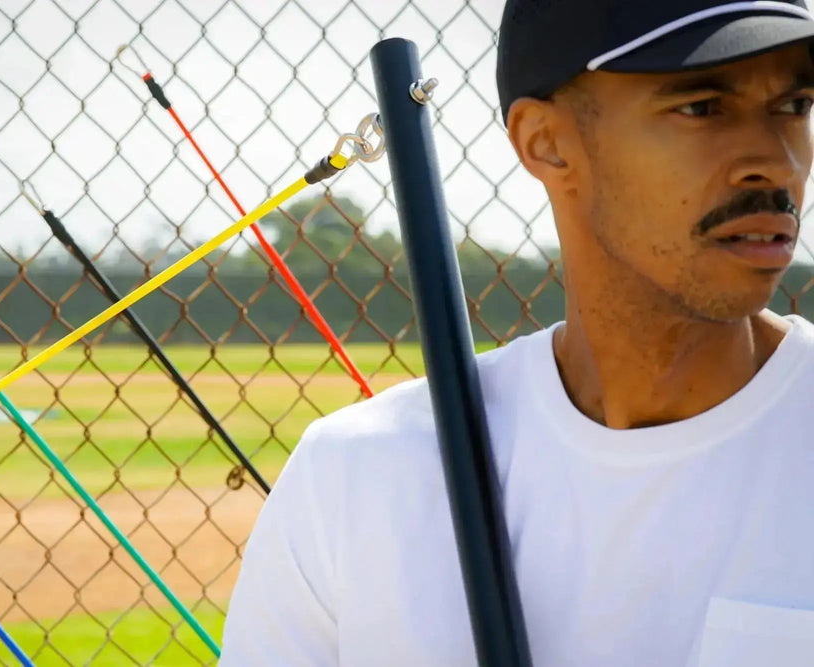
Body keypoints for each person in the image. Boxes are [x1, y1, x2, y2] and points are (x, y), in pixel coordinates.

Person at [219, 1, 814, 665]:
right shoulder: (359, 478)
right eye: (702, 107)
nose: (776, 160)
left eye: (795, 106)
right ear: (546, 142)